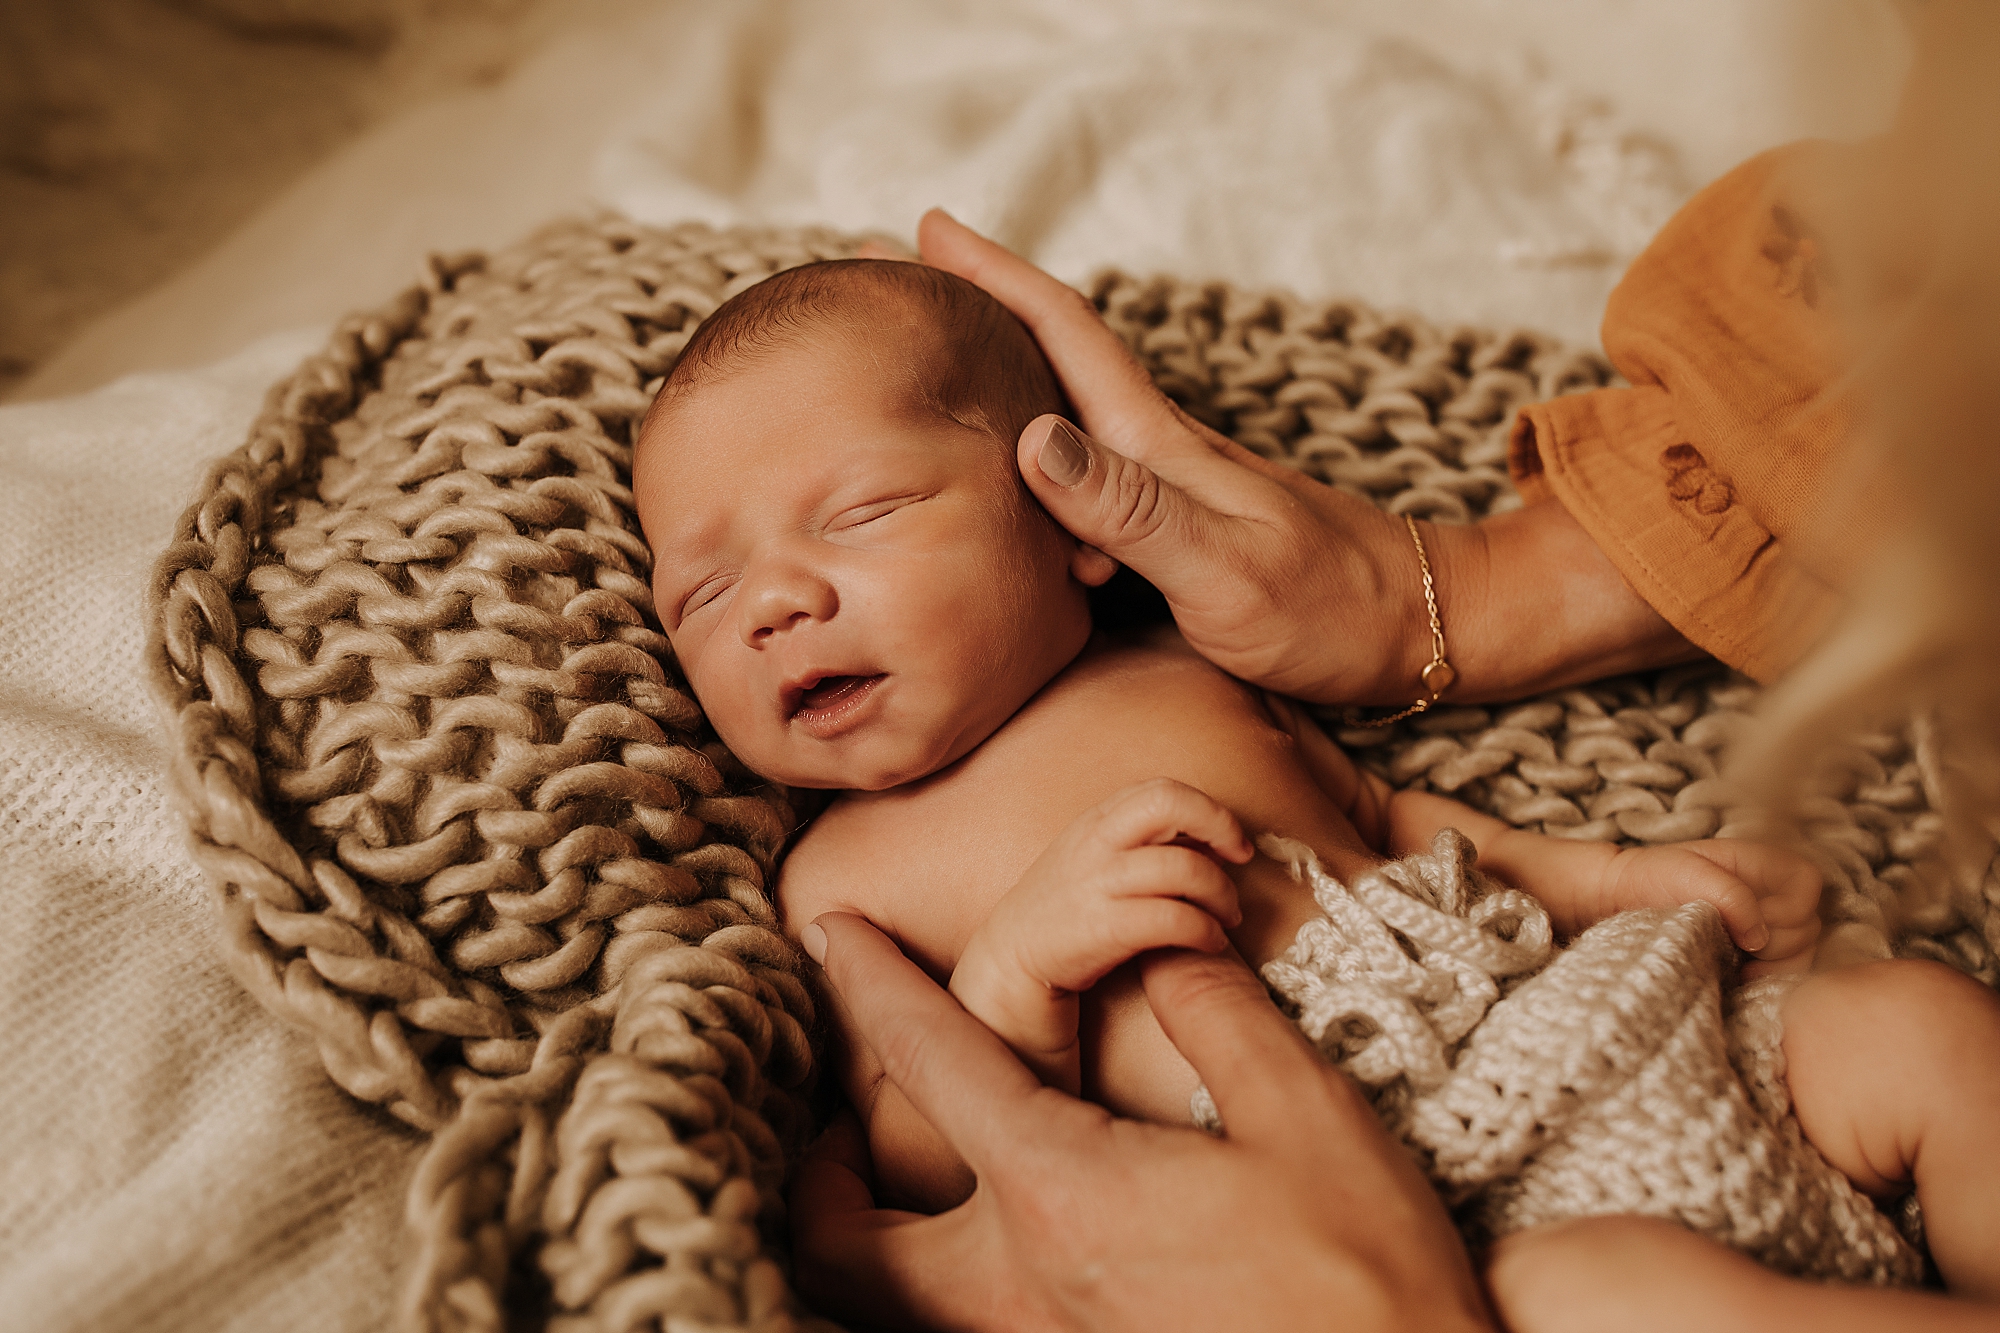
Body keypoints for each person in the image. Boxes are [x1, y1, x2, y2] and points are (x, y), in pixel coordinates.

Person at [780, 4, 2000, 1325]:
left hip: (1607, 1014)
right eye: (704, 591)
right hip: (1450, 1202)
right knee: (1591, 1294)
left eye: (861, 515)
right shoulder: (840, 876)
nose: (776, 603)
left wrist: (1623, 875)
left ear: (1067, 514)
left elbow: (1397, 825)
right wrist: (1014, 981)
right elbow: (920, 1146)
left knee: (1919, 1020)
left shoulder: (1175, 670)